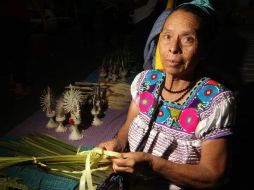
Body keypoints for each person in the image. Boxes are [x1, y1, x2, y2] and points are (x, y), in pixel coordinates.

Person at [99, 0, 236, 189]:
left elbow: (213, 176)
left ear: (205, 49)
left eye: (188, 39)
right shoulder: (146, 81)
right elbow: (126, 131)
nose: (173, 48)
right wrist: (118, 144)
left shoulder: (215, 101)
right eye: (167, 36)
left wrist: (153, 164)